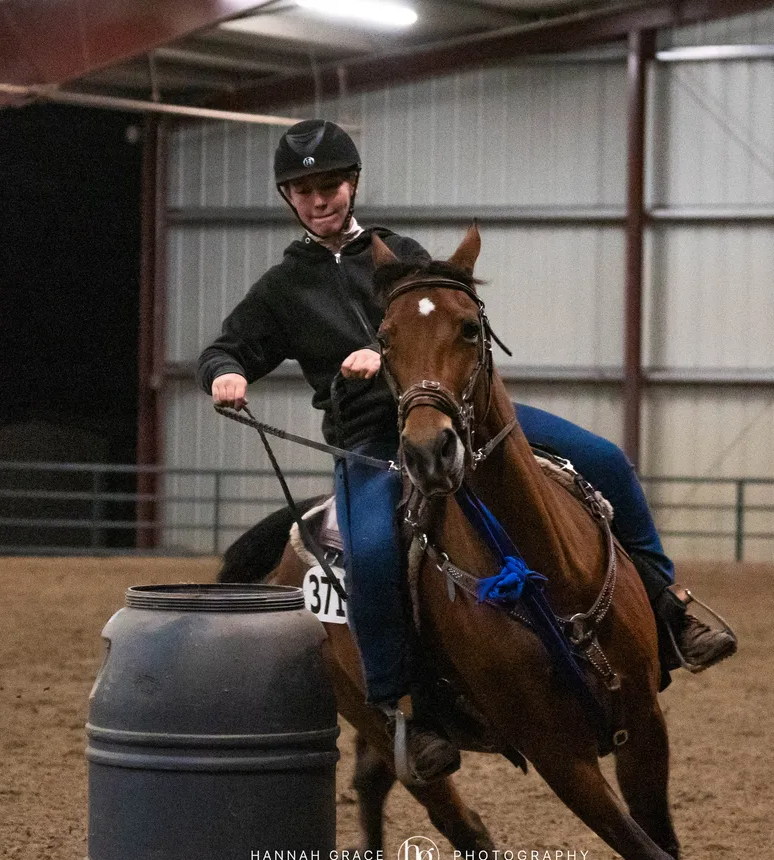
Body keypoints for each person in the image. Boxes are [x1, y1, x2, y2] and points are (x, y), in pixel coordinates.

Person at [199, 119, 736, 781]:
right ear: (289, 198)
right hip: (374, 439)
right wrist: (224, 374)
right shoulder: (282, 290)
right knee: (368, 550)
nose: (319, 199)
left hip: (466, 411)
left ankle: (667, 608)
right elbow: (227, 348)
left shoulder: (399, 251)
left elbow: (449, 319)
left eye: (329, 184)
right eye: (303, 189)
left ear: (352, 184)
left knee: (603, 459)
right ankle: (406, 709)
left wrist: (399, 352)